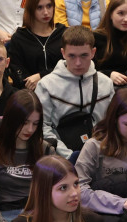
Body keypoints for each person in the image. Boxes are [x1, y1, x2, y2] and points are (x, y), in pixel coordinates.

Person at [0, 90, 55, 222]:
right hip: (7, 216)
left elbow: (56, 193)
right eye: (24, 123)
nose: (30, 129)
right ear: (12, 120)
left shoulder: (46, 150)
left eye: (35, 124)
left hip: (40, 214)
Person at [36, 25, 115, 157]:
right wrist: (69, 156)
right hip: (60, 158)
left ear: (93, 52)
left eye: (84, 55)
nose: (78, 63)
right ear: (63, 53)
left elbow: (112, 124)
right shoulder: (46, 85)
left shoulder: (106, 84)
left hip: (102, 155)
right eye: (72, 56)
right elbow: (42, 127)